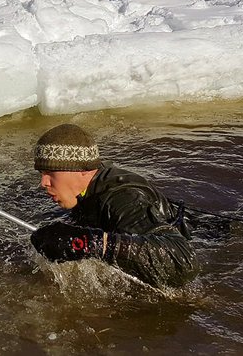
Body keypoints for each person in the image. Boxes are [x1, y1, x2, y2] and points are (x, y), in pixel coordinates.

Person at [29, 123, 199, 288]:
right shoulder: (85, 191)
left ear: (83, 170)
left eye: (50, 172)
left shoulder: (122, 198)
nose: (43, 183)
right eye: (42, 173)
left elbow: (184, 262)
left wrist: (86, 243)